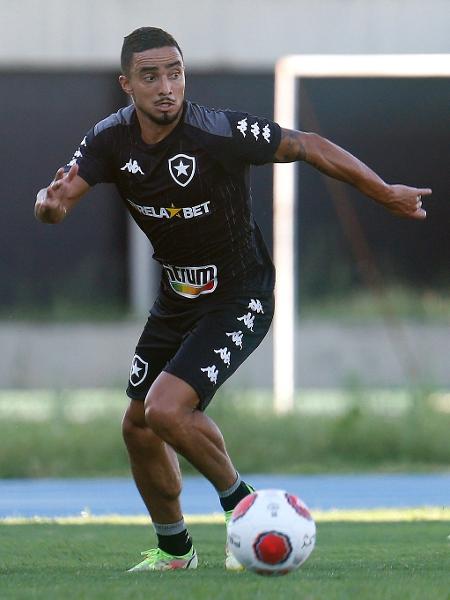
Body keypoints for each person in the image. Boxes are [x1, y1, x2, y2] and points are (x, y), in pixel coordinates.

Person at [34, 27, 431, 572]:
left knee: (167, 409)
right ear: (127, 84)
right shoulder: (109, 140)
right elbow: (58, 204)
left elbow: (309, 145)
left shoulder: (218, 131)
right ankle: (176, 553)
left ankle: (246, 510)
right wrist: (47, 205)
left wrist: (384, 192)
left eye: (175, 72)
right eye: (150, 76)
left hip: (240, 294)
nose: (166, 86)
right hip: (177, 297)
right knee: (138, 427)